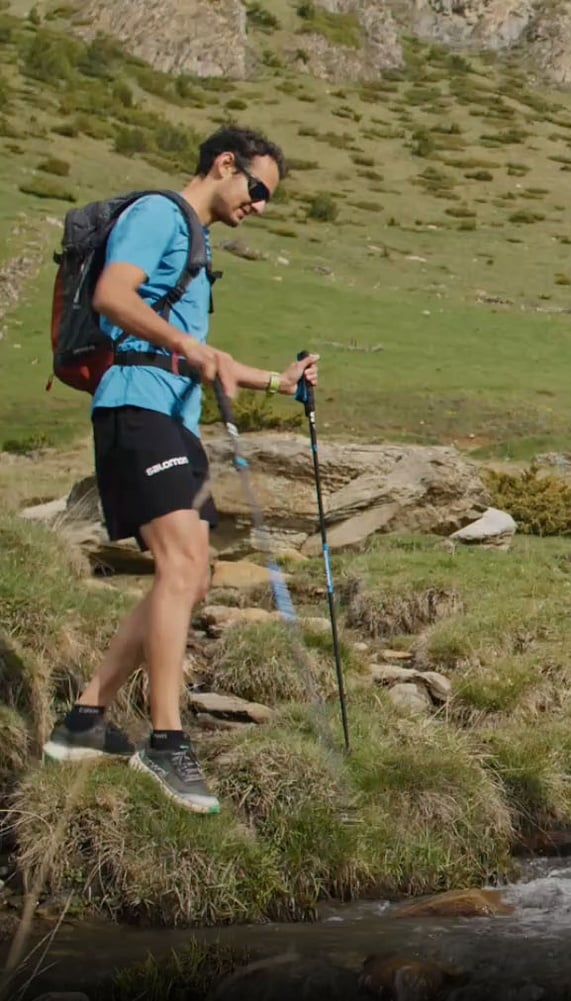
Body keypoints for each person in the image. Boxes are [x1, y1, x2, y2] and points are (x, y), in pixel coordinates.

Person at [40, 125, 319, 816]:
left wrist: (278, 382)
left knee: (192, 579)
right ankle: (166, 742)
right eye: (257, 189)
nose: (260, 205)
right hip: (137, 409)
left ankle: (86, 718)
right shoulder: (160, 214)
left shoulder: (194, 241)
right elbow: (113, 295)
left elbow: (198, 354)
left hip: (171, 416)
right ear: (224, 164)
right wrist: (184, 345)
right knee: (182, 564)